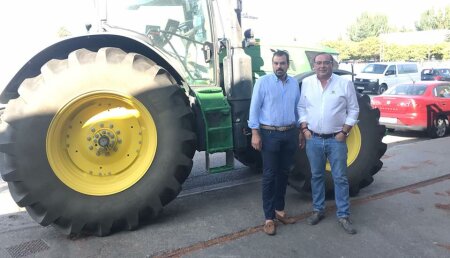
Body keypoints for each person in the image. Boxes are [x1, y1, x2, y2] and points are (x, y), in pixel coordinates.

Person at [298, 52, 359, 234]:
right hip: (313, 139)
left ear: (332, 65)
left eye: (326, 63)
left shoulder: (344, 83)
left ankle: (343, 215)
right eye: (319, 63)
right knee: (316, 176)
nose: (322, 66)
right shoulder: (307, 84)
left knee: (340, 178)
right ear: (313, 66)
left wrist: (344, 132)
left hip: (336, 140)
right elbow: (301, 107)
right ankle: (318, 210)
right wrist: (305, 129)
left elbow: (354, 109)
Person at [248, 50, 301, 235]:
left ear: (288, 64)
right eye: (276, 63)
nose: (279, 66)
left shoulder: (294, 83)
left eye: (283, 63)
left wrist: (300, 131)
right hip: (269, 134)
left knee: (284, 174)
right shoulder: (263, 82)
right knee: (270, 175)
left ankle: (280, 211)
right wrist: (255, 133)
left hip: (289, 133)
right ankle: (268, 218)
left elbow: (297, 109)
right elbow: (254, 109)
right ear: (272, 64)